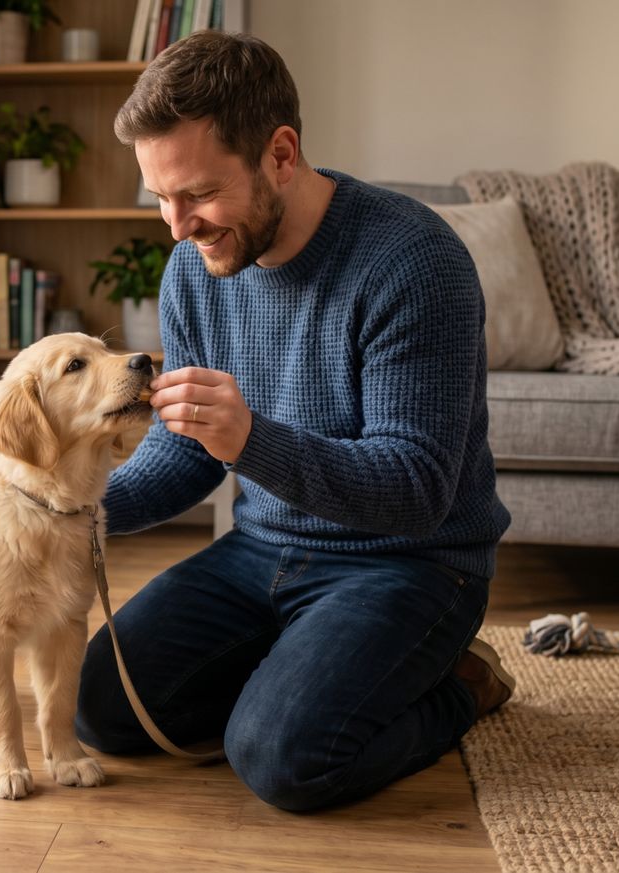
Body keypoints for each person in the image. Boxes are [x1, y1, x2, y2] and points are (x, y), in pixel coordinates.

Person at [74, 30, 516, 812]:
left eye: (200, 194)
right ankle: (310, 669)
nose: (177, 226)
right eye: (160, 197)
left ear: (281, 152)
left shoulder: (414, 261)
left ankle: (461, 686)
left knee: (282, 758)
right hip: (260, 551)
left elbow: (417, 490)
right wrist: (75, 508)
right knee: (100, 706)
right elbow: (189, 457)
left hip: (411, 563)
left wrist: (251, 438)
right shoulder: (195, 268)